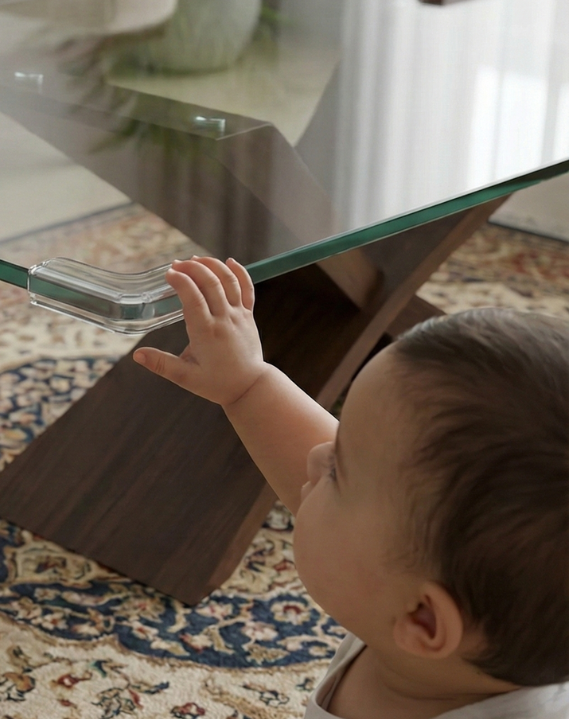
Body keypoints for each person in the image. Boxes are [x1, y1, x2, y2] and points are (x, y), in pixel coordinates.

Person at [133, 257, 569, 718]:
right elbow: (339, 479)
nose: (318, 456)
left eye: (339, 470)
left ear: (423, 618)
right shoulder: (414, 610)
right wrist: (247, 384)